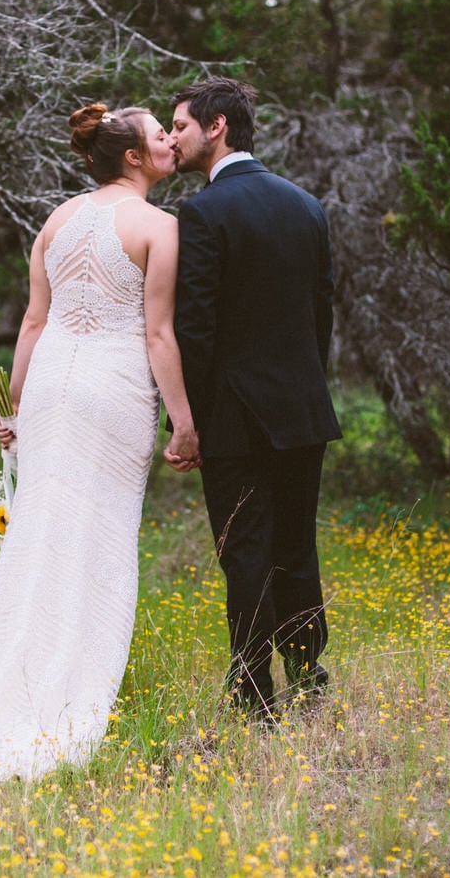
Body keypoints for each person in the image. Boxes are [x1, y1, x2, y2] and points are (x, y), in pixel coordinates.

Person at [0, 104, 200, 779]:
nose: (171, 143)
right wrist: (184, 420)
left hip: (54, 383)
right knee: (101, 532)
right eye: (158, 137)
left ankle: (19, 663)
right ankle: (64, 682)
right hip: (114, 387)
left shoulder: (56, 220)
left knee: (42, 530)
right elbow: (156, 336)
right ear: (135, 158)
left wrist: (17, 405)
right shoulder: (160, 227)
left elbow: (33, 321)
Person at [167, 77, 341, 722]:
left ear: (216, 126)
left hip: (234, 417)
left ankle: (253, 691)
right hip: (303, 409)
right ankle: (308, 675)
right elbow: (320, 316)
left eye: (180, 126)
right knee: (296, 546)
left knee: (244, 550)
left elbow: (197, 328)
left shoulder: (204, 213)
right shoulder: (306, 206)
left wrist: (188, 420)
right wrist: (303, 388)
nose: (174, 138)